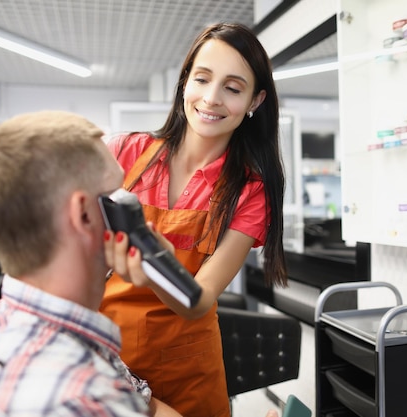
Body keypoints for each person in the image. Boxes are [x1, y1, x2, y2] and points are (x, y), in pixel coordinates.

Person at [101, 22, 287, 417]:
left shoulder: (249, 191)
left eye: (233, 88)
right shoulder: (123, 154)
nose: (211, 98)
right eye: (202, 79)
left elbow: (199, 300)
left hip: (187, 367)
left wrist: (158, 266)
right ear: (185, 81)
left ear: (256, 100)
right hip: (107, 356)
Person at [0, 110, 182, 417]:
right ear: (85, 214)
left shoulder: (14, 317)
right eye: (118, 194)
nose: (135, 207)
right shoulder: (87, 398)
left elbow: (147, 406)